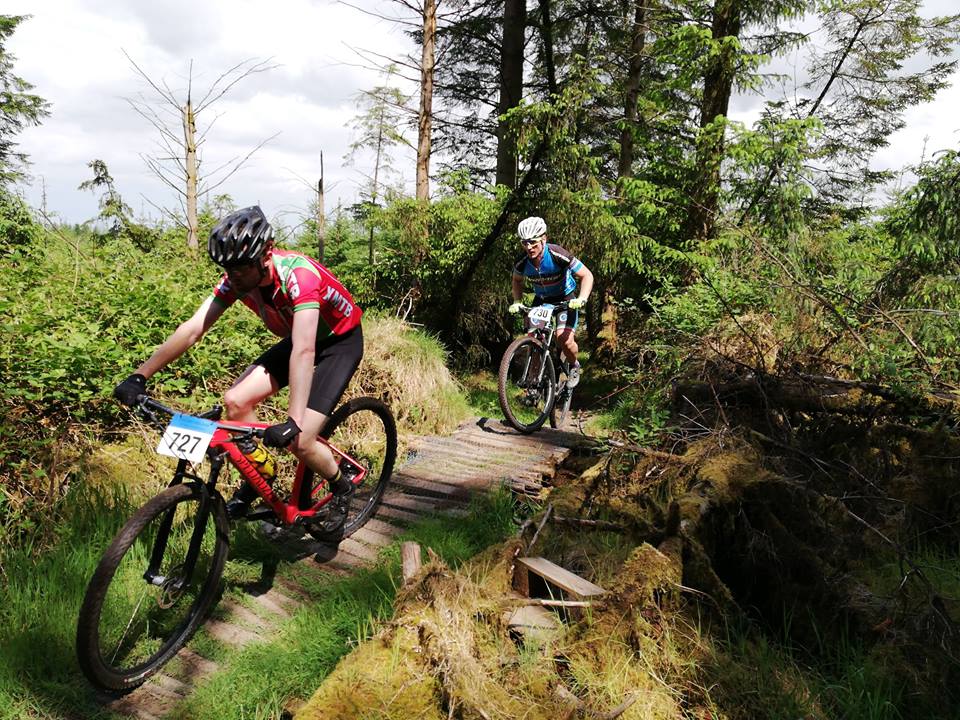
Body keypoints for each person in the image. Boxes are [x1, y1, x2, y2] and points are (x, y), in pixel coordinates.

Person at [113, 205, 363, 530]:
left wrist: (294, 421)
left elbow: (303, 351)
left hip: (340, 343)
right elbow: (192, 329)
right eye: (227, 268)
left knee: (301, 440)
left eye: (241, 268)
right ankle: (262, 473)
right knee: (235, 403)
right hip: (301, 337)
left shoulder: (299, 276)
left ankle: (342, 484)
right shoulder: (237, 280)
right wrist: (139, 375)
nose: (233, 276)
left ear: (266, 255)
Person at [509, 216, 593, 387]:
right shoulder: (522, 262)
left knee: (563, 339)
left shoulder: (557, 254)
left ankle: (574, 365)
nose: (529, 247)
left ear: (544, 239)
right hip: (542, 301)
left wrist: (582, 298)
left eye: (533, 242)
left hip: (565, 299)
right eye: (524, 243)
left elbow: (587, 275)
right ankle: (533, 383)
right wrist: (517, 301)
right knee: (533, 339)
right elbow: (517, 281)